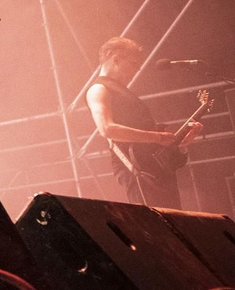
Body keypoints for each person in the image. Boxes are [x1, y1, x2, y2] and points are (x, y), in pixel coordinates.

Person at [86, 36, 203, 208]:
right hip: (137, 168)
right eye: (133, 63)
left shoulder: (125, 93)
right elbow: (107, 129)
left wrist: (181, 143)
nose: (136, 69)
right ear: (115, 58)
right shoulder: (98, 89)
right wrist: (157, 137)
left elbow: (159, 146)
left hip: (156, 169)